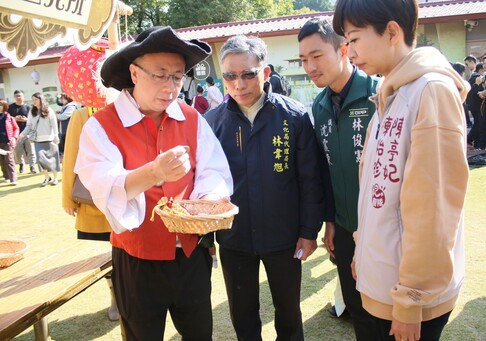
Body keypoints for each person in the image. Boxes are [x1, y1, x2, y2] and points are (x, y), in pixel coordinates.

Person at [74, 26, 233, 341]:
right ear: (134, 72)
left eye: (177, 77)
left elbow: (213, 170)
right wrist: (153, 173)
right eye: (160, 75)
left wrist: (207, 200)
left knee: (199, 333)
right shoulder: (101, 126)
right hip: (137, 259)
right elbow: (102, 181)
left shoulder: (191, 118)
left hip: (191, 255)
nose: (170, 86)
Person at [333, 1, 470, 340]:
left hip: (409, 297)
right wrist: (363, 249)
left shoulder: (430, 91)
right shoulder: (391, 93)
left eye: (354, 38)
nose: (349, 52)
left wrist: (411, 300)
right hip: (384, 282)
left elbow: (433, 210)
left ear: (391, 31)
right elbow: (379, 190)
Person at [205, 35, 324, 340]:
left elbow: (311, 180)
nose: (239, 84)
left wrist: (309, 232)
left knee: (288, 313)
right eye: (230, 76)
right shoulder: (211, 123)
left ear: (265, 72)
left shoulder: (294, 117)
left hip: (284, 238)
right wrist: (208, 240)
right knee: (243, 315)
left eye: (248, 74)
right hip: (234, 238)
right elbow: (202, 183)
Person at [298, 17, 379, 339]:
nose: (309, 67)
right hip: (345, 228)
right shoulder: (318, 106)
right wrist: (330, 220)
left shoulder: (379, 93)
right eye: (303, 59)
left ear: (344, 49)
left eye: (317, 56)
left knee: (389, 312)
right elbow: (324, 169)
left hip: (383, 228)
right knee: (359, 310)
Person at [62, 106, 120, 322]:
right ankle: (115, 295)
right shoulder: (81, 114)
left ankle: (127, 296)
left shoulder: (128, 107)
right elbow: (71, 156)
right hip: (93, 201)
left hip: (124, 197)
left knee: (128, 256)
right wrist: (68, 198)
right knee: (107, 257)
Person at [18, 92, 60, 186]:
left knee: (53, 159)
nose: (34, 101)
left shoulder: (48, 110)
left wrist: (56, 135)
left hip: (50, 139)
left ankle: (55, 178)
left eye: (35, 99)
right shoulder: (31, 112)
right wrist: (21, 135)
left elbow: (54, 124)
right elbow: (28, 126)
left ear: (41, 99)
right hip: (38, 140)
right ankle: (46, 177)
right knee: (41, 160)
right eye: (33, 100)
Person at [8, 90, 36, 174]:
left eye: (20, 96)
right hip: (16, 133)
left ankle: (32, 166)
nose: (18, 98)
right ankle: (21, 164)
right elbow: (7, 118)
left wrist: (26, 119)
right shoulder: (11, 107)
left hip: (27, 132)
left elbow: (33, 120)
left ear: (23, 97)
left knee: (30, 150)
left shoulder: (28, 108)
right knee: (18, 151)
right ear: (14, 97)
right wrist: (14, 118)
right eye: (17, 96)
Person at [0, 99, 19, 185]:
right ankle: (6, 176)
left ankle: (13, 178)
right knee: (2, 160)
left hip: (7, 141)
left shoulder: (9, 117)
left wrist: (14, 137)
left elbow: (16, 128)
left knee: (9, 159)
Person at [467, 62, 484, 148]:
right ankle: (475, 142)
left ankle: (470, 140)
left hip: (473, 105)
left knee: (477, 124)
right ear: (481, 70)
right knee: (478, 125)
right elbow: (475, 92)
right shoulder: (478, 78)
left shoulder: (472, 78)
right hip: (477, 106)